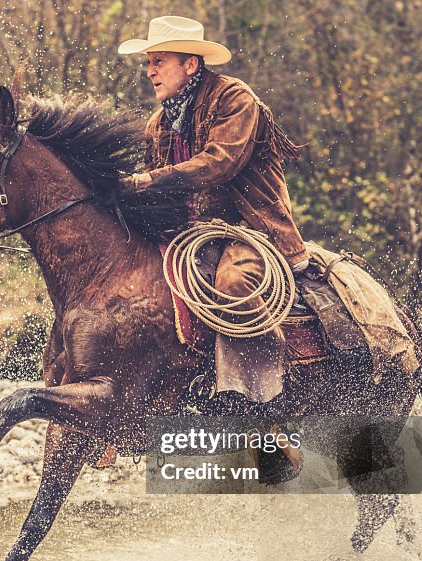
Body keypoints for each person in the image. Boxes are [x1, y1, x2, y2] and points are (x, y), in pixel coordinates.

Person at [119, 15, 309, 405]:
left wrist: (148, 181)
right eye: (148, 62)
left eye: (159, 61)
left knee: (233, 285)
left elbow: (219, 162)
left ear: (191, 64)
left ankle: (262, 401)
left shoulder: (235, 100)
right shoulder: (160, 123)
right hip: (189, 236)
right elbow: (152, 184)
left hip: (253, 231)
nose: (149, 71)